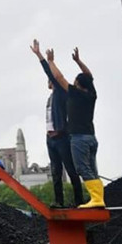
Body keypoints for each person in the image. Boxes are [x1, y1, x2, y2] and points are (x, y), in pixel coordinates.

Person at [45, 46, 104, 209]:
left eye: (75, 82)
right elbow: (89, 77)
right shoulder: (91, 94)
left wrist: (50, 61)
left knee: (81, 168)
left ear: (77, 85)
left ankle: (97, 199)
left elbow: (59, 76)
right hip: (91, 137)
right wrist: (78, 61)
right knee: (92, 169)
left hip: (79, 138)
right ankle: (98, 198)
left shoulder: (74, 93)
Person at [30, 39, 85, 208]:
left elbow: (51, 73)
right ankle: (59, 201)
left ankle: (78, 201)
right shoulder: (50, 98)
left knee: (70, 169)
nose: (49, 81)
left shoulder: (61, 93)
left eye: (50, 79)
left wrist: (41, 56)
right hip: (51, 139)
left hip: (61, 137)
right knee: (55, 171)